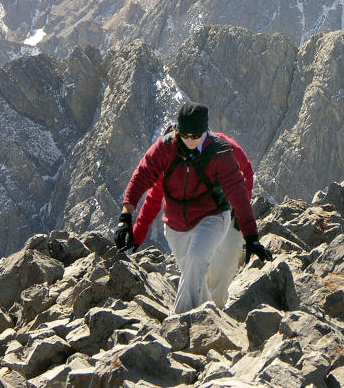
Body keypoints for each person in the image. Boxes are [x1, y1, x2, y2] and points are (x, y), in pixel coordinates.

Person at [114, 102, 272, 314]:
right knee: (194, 273)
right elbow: (146, 186)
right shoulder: (166, 151)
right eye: (184, 136)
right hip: (177, 224)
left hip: (216, 215)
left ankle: (179, 320)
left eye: (195, 136)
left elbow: (241, 185)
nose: (189, 142)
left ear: (205, 132)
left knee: (203, 262)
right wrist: (130, 225)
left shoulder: (222, 149)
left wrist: (250, 235)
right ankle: (213, 318)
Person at [130, 133, 255, 307]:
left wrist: (242, 205)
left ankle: (215, 311)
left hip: (225, 211)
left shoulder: (221, 145)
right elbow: (154, 199)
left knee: (224, 263)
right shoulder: (170, 165)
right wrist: (137, 236)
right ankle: (204, 313)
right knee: (198, 269)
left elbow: (246, 169)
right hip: (191, 221)